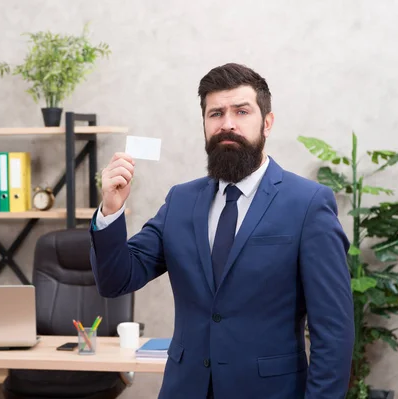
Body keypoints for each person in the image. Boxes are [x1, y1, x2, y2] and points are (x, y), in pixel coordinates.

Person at [89, 62, 355, 399]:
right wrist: (111, 210)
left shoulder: (308, 204)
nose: (227, 124)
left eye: (242, 111)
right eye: (216, 114)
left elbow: (333, 331)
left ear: (267, 123)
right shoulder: (181, 200)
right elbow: (116, 280)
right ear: (204, 124)